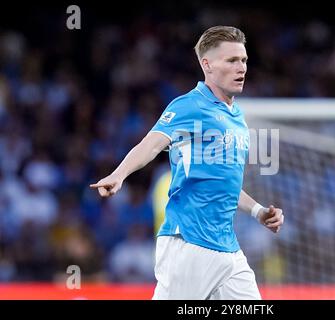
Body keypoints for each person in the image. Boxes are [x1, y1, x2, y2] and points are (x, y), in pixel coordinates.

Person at [90, 25, 284, 300]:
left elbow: (221, 183)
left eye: (244, 60)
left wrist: (258, 212)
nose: (241, 67)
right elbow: (152, 143)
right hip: (189, 243)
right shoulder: (188, 106)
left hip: (228, 248)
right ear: (207, 64)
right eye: (231, 61)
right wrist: (120, 174)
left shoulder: (236, 116)